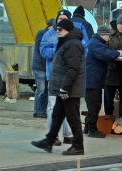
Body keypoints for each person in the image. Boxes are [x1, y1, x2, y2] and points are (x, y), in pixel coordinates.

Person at [31, 19, 86, 155]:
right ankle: (49, 141)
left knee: (73, 117)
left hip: (69, 89)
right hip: (65, 87)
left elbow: (72, 69)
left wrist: (65, 88)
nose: (57, 32)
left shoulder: (73, 44)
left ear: (67, 30)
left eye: (60, 30)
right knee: (57, 114)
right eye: (57, 30)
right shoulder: (66, 42)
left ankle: (78, 146)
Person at [40, 9, 73, 145]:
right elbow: (43, 51)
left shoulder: (74, 34)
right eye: (59, 18)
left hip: (69, 77)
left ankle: (68, 135)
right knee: (53, 107)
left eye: (64, 18)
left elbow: (84, 49)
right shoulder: (49, 35)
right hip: (54, 77)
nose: (61, 21)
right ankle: (53, 137)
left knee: (67, 106)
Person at [84, 25, 122, 138]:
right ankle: (92, 129)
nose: (109, 38)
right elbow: (105, 53)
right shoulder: (95, 44)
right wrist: (118, 53)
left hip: (94, 80)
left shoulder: (96, 42)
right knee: (94, 106)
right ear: (103, 34)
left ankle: (87, 127)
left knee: (93, 105)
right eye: (108, 35)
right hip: (92, 81)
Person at [32, 18, 54, 118]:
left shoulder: (49, 34)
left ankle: (43, 110)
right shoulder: (42, 34)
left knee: (45, 91)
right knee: (41, 90)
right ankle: (37, 111)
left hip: (45, 67)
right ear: (50, 26)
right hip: (39, 66)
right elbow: (41, 50)